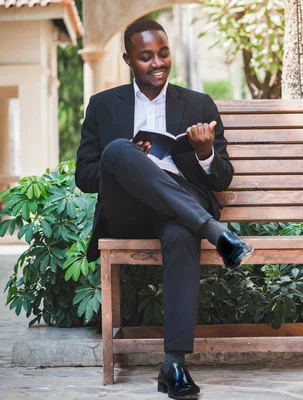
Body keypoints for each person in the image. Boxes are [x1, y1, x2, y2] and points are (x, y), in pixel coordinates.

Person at [75, 19, 253, 400]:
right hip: (129, 210)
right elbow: (85, 176)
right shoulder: (104, 106)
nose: (157, 63)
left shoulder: (198, 104)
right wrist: (125, 162)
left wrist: (206, 154)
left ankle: (174, 366)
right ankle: (216, 233)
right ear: (128, 59)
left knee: (179, 233)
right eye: (145, 57)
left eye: (163, 53)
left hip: (180, 211)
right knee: (118, 149)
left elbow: (222, 179)